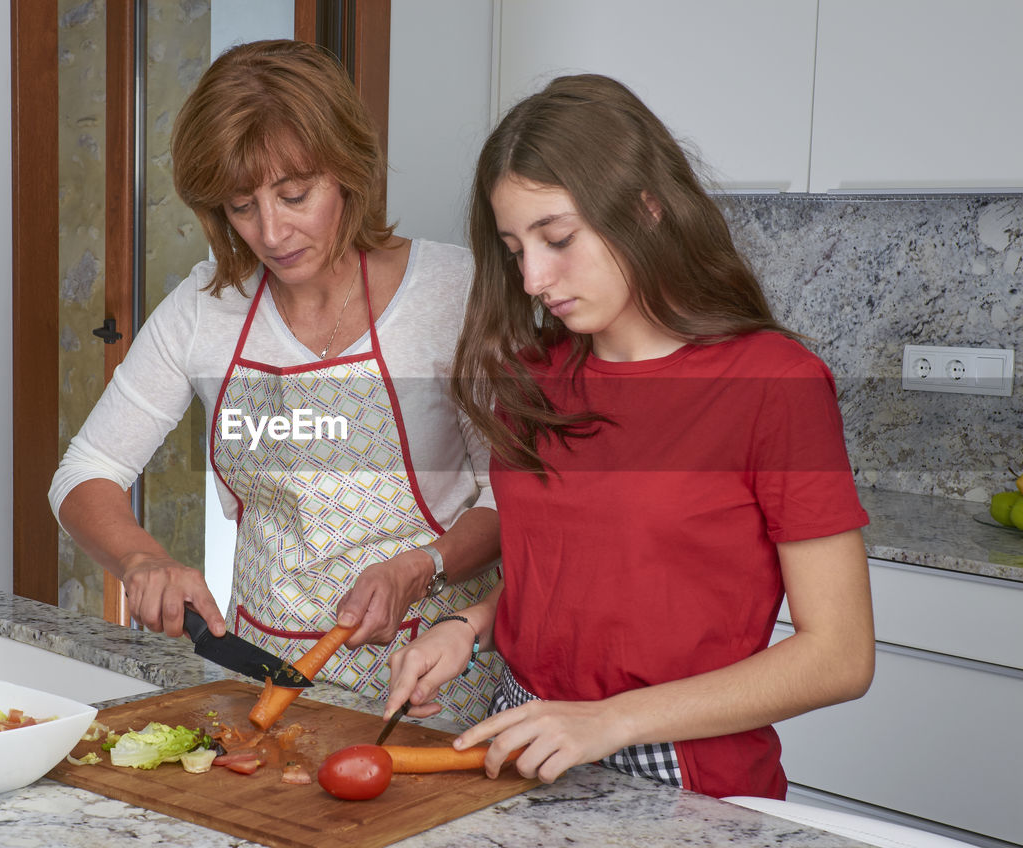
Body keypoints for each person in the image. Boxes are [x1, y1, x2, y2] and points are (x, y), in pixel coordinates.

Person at [383, 74, 875, 799]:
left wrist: (608, 721)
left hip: (687, 771)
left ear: (645, 209)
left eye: (557, 240)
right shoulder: (533, 377)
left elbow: (839, 655)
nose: (533, 279)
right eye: (517, 249)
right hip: (523, 740)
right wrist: (469, 623)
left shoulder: (774, 384)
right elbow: (576, 573)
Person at [48, 39, 502, 725]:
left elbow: (515, 495)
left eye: (295, 195)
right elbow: (86, 470)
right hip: (262, 679)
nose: (271, 232)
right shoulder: (206, 308)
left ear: (348, 171)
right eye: (241, 206)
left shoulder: (451, 292)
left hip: (429, 682)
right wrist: (142, 559)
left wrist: (421, 567)